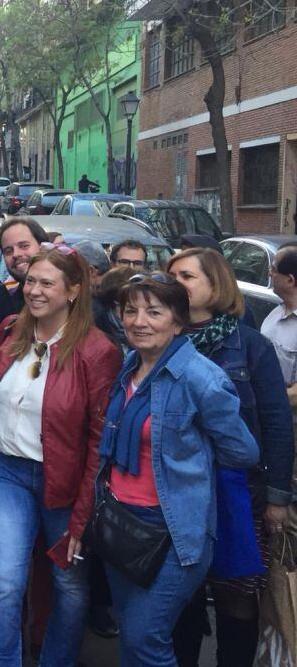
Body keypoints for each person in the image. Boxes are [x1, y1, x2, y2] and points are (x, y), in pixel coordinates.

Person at [99, 273, 260, 665]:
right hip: (119, 522)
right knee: (131, 636)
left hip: (173, 532)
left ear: (178, 321)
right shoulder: (130, 366)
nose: (139, 321)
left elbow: (242, 450)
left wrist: (191, 465)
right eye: (131, 310)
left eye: (154, 312)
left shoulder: (201, 378)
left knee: (143, 637)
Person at [0, 244, 122, 666]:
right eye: (30, 281)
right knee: (4, 581)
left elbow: (100, 440)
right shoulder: (9, 332)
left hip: (67, 480)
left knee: (69, 586)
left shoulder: (98, 352)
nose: (34, 291)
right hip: (7, 473)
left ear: (74, 291)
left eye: (46, 283)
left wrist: (82, 514)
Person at [167, 248, 294, 666]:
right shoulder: (161, 339)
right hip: (176, 490)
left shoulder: (250, 345)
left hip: (237, 491)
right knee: (181, 598)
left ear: (215, 284)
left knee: (235, 596)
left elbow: (276, 421)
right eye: (171, 276)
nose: (175, 284)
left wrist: (277, 496)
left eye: (186, 276)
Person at [0, 216, 46, 324]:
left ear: (43, 247)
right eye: (8, 251)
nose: (16, 254)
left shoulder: (72, 296)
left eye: (24, 246)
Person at [261, 243, 297, 406]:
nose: (269, 273)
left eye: (274, 270)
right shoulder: (275, 313)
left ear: (290, 280)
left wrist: (265, 402)